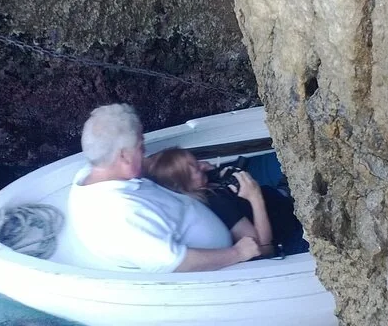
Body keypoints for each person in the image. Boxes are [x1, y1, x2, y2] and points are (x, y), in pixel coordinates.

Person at [66, 103, 261, 273]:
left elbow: (143, 166)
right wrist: (238, 253)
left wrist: (190, 166)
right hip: (223, 265)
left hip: (196, 211)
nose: (145, 153)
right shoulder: (124, 215)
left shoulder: (94, 172)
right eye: (140, 147)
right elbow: (177, 263)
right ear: (123, 157)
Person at [143, 147, 309, 256]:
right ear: (182, 185)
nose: (201, 165)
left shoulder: (206, 185)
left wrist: (212, 172)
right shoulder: (217, 204)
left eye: (196, 161)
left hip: (284, 201)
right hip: (293, 231)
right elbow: (264, 248)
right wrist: (255, 197)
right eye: (194, 169)